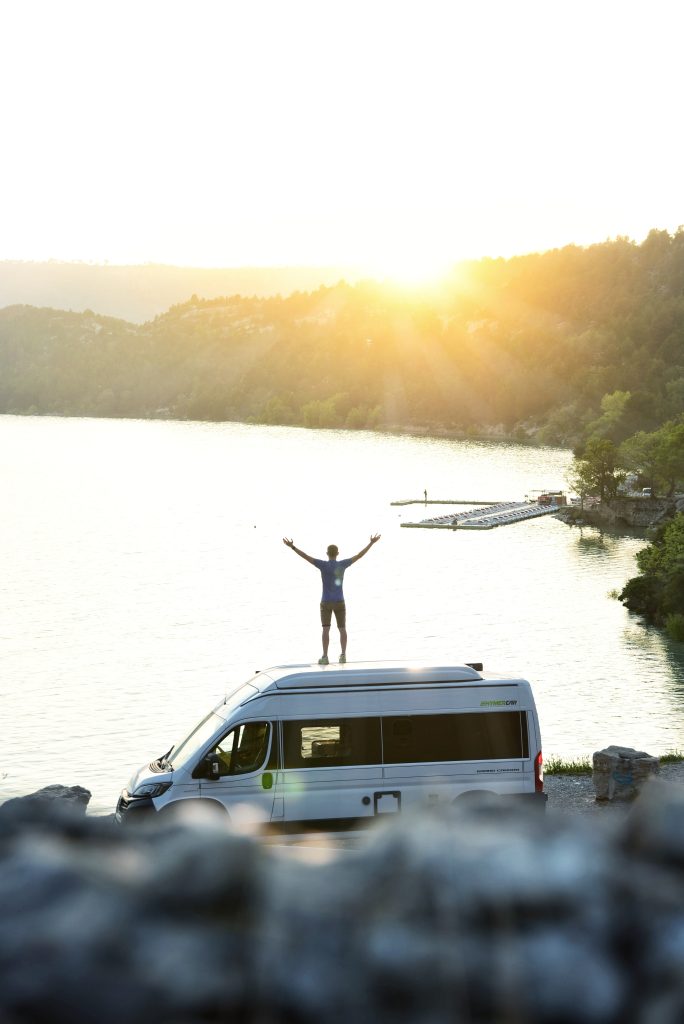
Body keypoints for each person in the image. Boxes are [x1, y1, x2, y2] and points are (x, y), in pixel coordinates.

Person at [283, 534, 381, 664]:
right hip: (340, 601)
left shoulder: (322, 565)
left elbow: (306, 557)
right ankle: (343, 655)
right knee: (342, 629)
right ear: (338, 553)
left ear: (327, 553)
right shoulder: (342, 564)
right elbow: (359, 555)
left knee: (325, 629)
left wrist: (292, 547)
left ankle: (325, 657)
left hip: (326, 602)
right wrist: (371, 543)